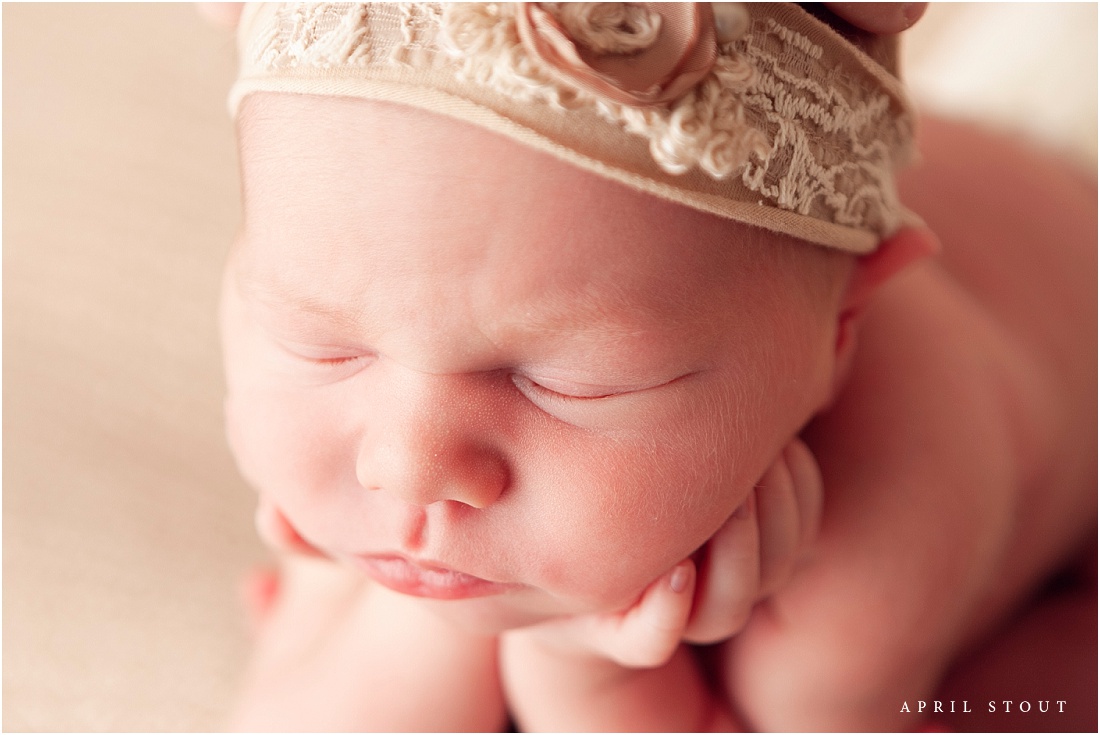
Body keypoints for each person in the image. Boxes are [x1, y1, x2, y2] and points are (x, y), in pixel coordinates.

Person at [216, 3, 1096, 730]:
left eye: (566, 381)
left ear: (840, 329)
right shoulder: (399, 385)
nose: (405, 464)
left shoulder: (888, 527)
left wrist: (577, 671)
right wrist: (437, 625)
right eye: (320, 341)